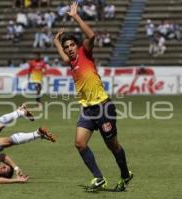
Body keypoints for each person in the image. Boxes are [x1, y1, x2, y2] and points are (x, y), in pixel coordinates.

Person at [53, 2, 133, 192]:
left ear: (77, 46)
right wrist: (56, 41)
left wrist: (75, 17)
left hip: (103, 107)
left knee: (112, 145)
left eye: (72, 45)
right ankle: (99, 178)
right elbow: (63, 57)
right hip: (88, 110)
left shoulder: (85, 53)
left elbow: (92, 35)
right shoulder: (71, 61)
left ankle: (125, 174)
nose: (70, 48)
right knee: (80, 144)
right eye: (67, 47)